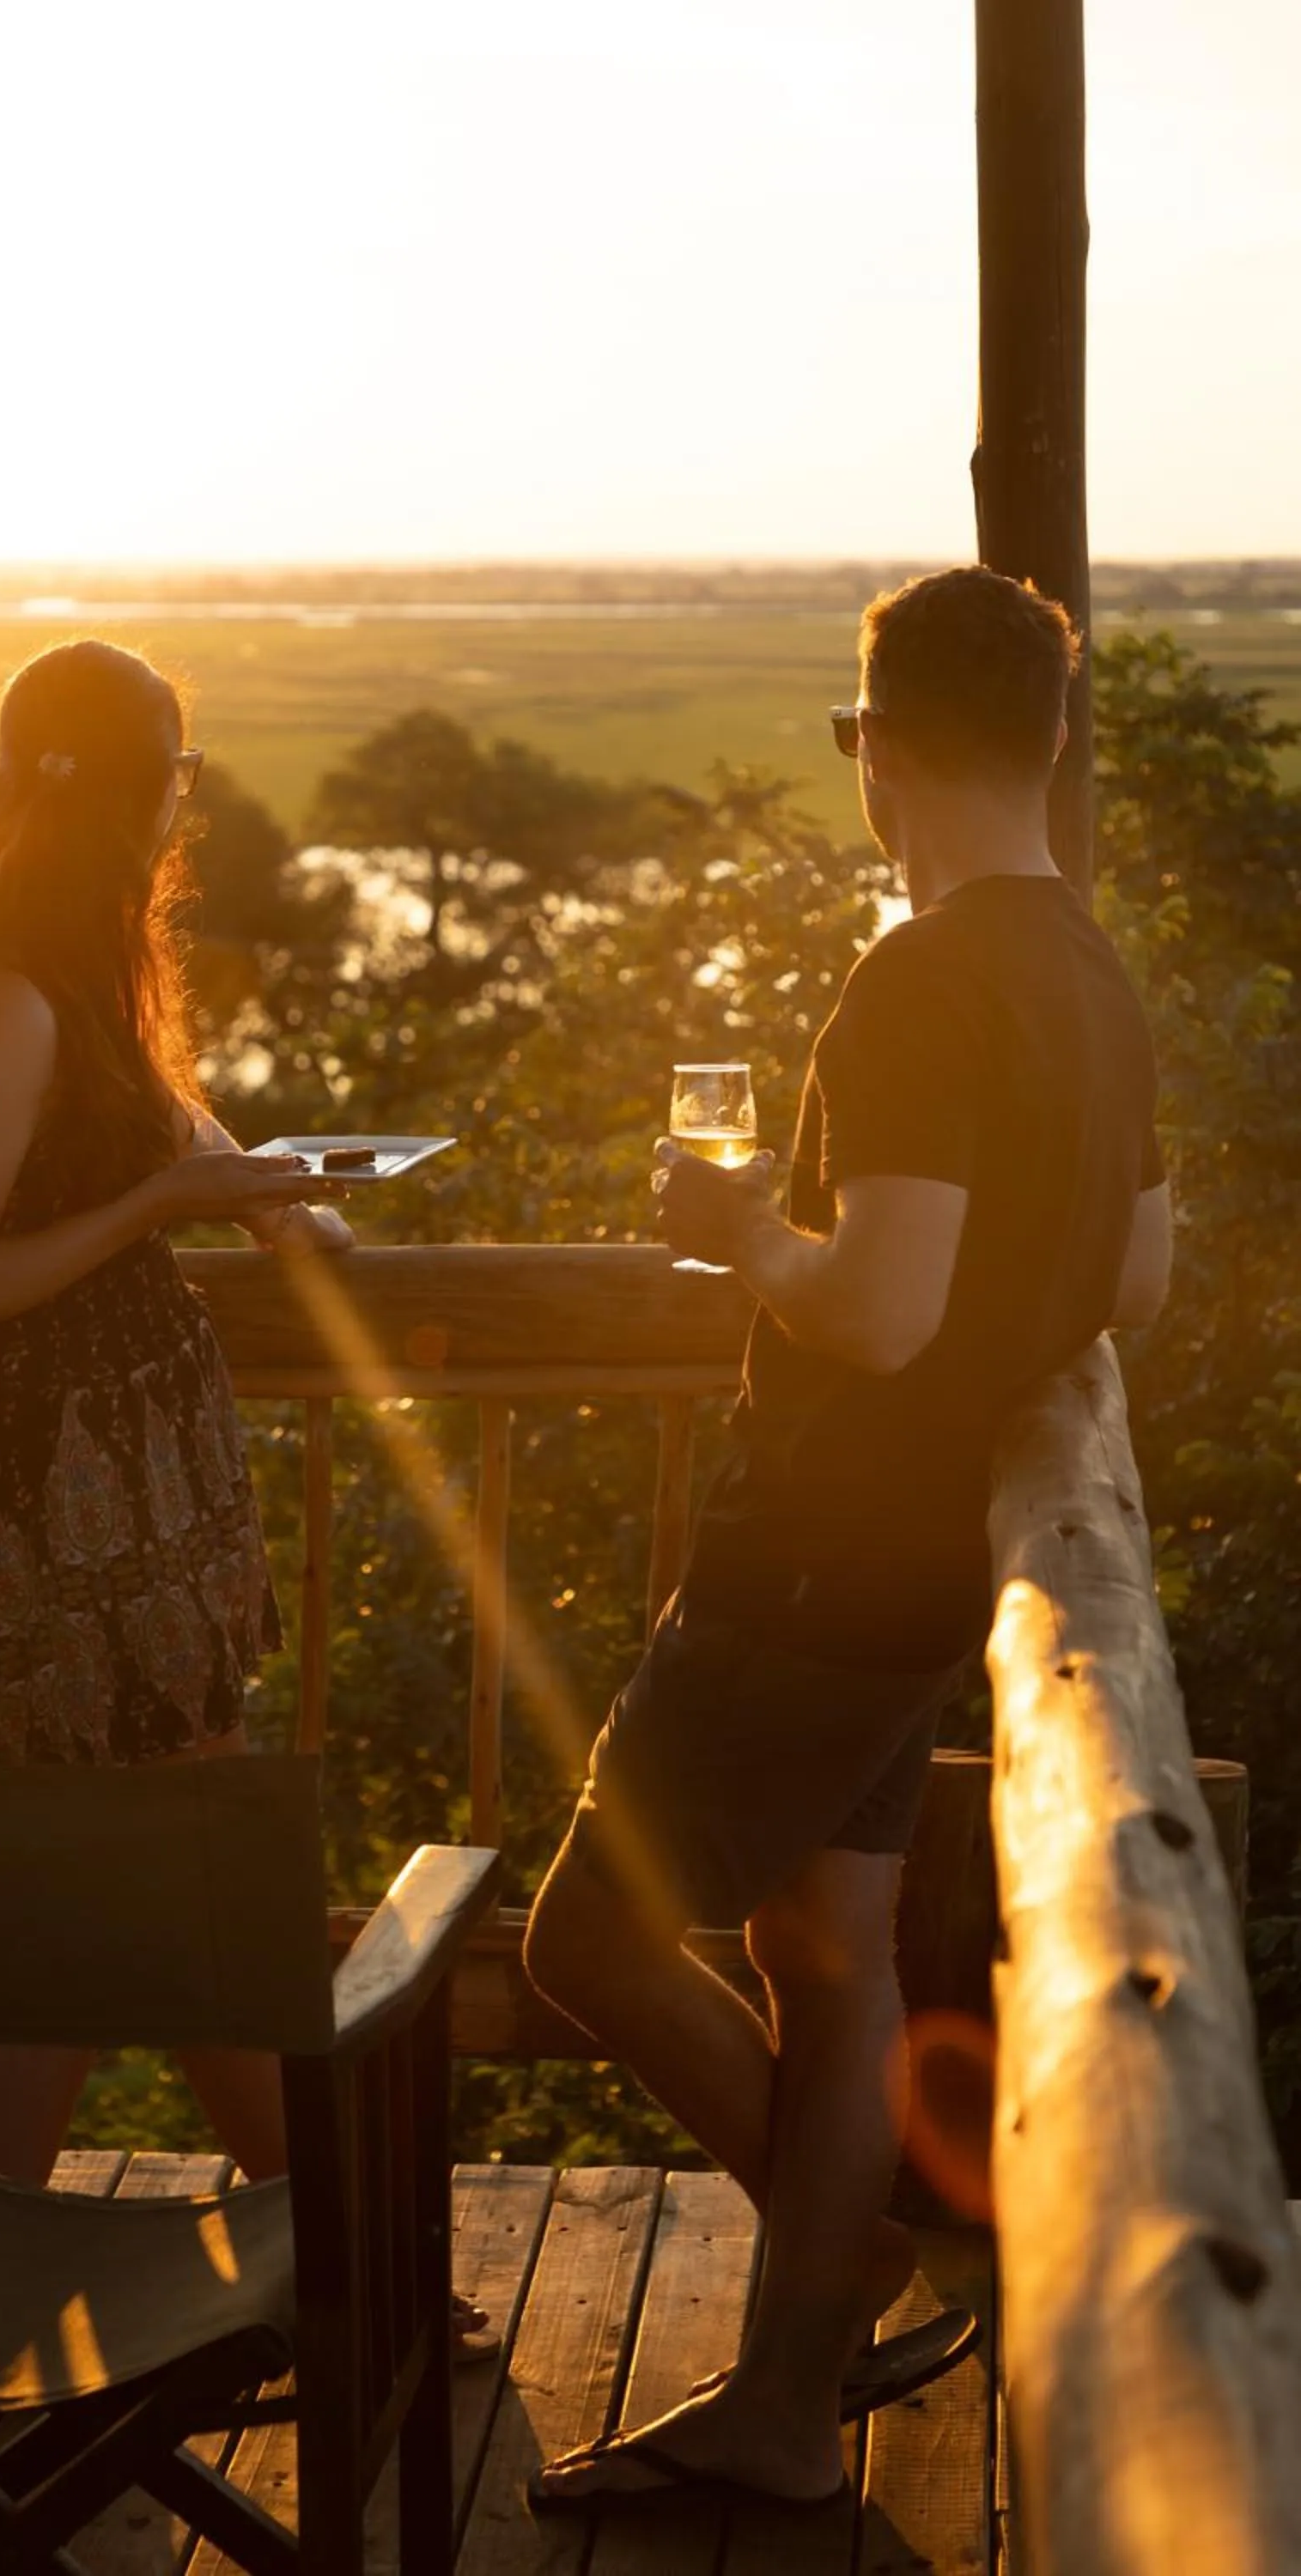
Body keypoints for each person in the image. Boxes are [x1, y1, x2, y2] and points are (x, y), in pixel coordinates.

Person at [525, 566, 1171, 2511]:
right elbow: (1137, 1279)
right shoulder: (1093, 973)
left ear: (875, 747)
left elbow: (879, 1309)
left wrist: (742, 1233)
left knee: (585, 1941)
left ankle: (842, 2268)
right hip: (933, 1566)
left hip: (808, 1559)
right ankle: (791, 2405)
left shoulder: (917, 978)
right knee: (828, 1950)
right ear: (1049, 740)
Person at [0, 638, 351, 2195]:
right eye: (176, 772)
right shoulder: (4, 1002)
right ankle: (305, 2232)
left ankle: (58, 2226)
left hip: (148, 1481)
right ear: (121, 789)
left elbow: (169, 1122)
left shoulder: (83, 977)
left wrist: (279, 1202)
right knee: (143, 1877)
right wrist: (162, 1205)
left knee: (125, 1878)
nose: (183, 803)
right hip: (77, 1503)